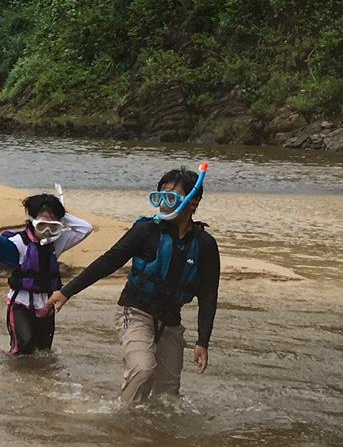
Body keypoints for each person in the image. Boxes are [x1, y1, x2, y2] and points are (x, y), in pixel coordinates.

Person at [49, 166, 222, 405]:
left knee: (168, 395)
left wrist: (203, 341)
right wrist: (67, 291)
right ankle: (122, 420)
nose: (163, 204)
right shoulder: (146, 230)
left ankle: (152, 437)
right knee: (143, 369)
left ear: (193, 203)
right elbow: (109, 261)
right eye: (160, 196)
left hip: (171, 321)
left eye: (171, 198)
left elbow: (208, 294)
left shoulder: (205, 245)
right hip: (135, 310)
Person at [0, 189, 93, 356]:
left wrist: (61, 215)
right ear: (31, 221)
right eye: (42, 225)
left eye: (53, 227)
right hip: (20, 303)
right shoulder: (18, 243)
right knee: (24, 346)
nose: (47, 231)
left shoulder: (57, 242)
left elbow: (85, 229)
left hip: (46, 304)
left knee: (44, 351)